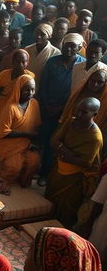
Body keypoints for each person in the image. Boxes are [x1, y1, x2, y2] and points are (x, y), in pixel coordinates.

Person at [45, 97, 103, 228]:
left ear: (95, 114)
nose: (78, 115)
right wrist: (68, 155)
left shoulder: (95, 137)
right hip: (59, 168)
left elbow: (86, 163)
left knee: (67, 208)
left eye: (84, 112)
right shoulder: (71, 122)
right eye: (78, 110)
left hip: (75, 178)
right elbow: (54, 141)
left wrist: (62, 151)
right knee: (49, 197)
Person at [38, 33, 85, 184]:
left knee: (58, 142)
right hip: (47, 107)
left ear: (79, 48)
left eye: (73, 46)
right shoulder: (53, 62)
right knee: (44, 138)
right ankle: (38, 170)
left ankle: (48, 174)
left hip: (67, 110)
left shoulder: (81, 65)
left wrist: (61, 108)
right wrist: (47, 104)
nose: (69, 49)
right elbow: (43, 85)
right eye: (67, 45)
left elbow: (76, 91)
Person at [0, 76, 41, 187]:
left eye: (33, 90)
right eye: (26, 90)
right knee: (14, 166)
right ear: (19, 89)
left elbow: (36, 126)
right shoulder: (11, 107)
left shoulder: (34, 104)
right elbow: (4, 131)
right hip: (8, 143)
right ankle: (7, 175)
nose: (30, 93)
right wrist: (26, 134)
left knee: (34, 161)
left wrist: (32, 142)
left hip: (26, 143)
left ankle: (23, 181)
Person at [60, 67, 107, 137]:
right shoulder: (79, 92)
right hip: (70, 129)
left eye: (100, 82)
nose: (95, 84)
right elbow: (68, 111)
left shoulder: (105, 101)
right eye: (93, 80)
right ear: (88, 79)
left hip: (90, 136)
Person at [0, 49, 34, 121]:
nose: (20, 64)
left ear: (27, 63)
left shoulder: (29, 76)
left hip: (18, 106)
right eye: (18, 61)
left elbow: (30, 94)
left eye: (23, 62)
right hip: (3, 104)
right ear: (13, 61)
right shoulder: (4, 74)